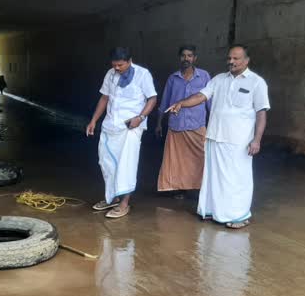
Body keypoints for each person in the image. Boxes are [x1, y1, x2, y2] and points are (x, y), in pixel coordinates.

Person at [167, 45, 269, 229]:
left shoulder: (256, 82)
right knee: (214, 178)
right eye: (229, 58)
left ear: (246, 60)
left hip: (239, 141)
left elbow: (261, 113)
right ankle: (214, 211)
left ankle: (239, 215)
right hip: (215, 137)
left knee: (237, 179)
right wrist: (182, 103)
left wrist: (257, 140)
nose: (231, 61)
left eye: (236, 59)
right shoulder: (219, 80)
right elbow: (200, 96)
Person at [86, 47, 157, 219]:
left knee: (126, 164)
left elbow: (152, 98)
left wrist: (140, 118)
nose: (117, 68)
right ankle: (112, 197)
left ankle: (124, 203)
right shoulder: (110, 74)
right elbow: (105, 97)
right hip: (111, 125)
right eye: (114, 65)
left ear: (129, 60)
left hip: (131, 127)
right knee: (106, 162)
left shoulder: (142, 74)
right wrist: (94, 120)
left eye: (120, 65)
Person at [156, 45, 211, 198]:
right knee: (178, 161)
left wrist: (214, 123)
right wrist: (159, 123)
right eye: (183, 56)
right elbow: (165, 102)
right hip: (176, 125)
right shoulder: (173, 78)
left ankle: (203, 188)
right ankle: (181, 189)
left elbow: (209, 102)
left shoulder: (204, 76)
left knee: (202, 157)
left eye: (190, 56)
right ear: (179, 58)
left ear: (195, 58)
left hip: (197, 125)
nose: (186, 59)